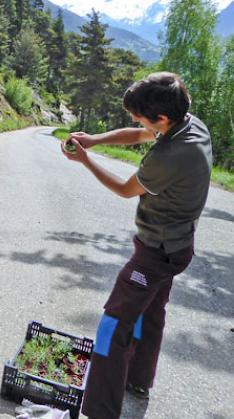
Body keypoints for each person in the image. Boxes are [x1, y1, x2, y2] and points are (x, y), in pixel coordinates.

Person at [61, 72, 212, 419]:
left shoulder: (170, 155)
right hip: (178, 247)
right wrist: (95, 140)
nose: (134, 120)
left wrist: (85, 160)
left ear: (162, 118)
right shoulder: (190, 124)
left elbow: (126, 189)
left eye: (140, 115)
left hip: (156, 253)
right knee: (150, 310)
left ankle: (100, 411)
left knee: (113, 323)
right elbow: (142, 133)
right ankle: (138, 380)